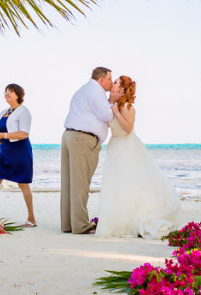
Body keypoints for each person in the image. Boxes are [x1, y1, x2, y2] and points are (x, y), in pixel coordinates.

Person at [96, 75, 181, 238]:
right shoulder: (112, 105)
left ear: (122, 89)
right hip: (115, 146)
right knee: (116, 184)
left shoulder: (128, 107)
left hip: (127, 147)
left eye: (115, 83)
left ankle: (131, 219)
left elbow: (128, 128)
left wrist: (115, 111)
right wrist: (111, 105)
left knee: (128, 184)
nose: (112, 84)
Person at [61, 67, 121, 234]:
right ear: (101, 79)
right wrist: (112, 101)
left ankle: (68, 224)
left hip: (69, 136)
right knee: (80, 184)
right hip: (83, 139)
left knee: (69, 183)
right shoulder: (96, 92)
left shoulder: (83, 89)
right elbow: (107, 116)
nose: (111, 82)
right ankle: (80, 225)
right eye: (110, 79)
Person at [0, 83, 36, 227]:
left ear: (18, 94)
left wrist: (2, 134)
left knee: (23, 184)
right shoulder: (4, 112)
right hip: (4, 152)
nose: (6, 94)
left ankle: (32, 219)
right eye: (5, 92)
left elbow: (23, 134)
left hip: (20, 152)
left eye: (10, 92)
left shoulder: (24, 112)